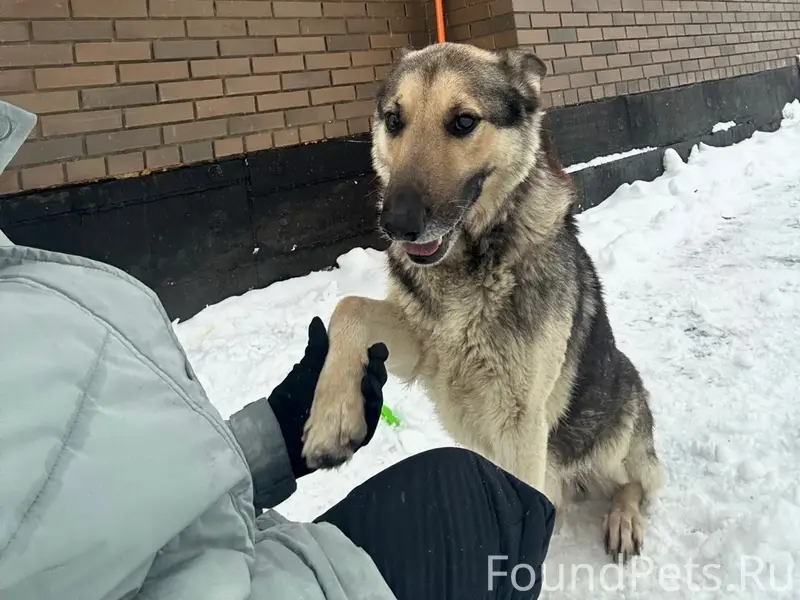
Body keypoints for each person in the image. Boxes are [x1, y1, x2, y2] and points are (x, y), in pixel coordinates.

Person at [0, 103, 555, 599]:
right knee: (487, 509)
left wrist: (273, 437)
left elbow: (108, 509)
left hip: (235, 548)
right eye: (395, 122)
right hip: (263, 579)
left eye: (462, 123)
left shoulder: (21, 270)